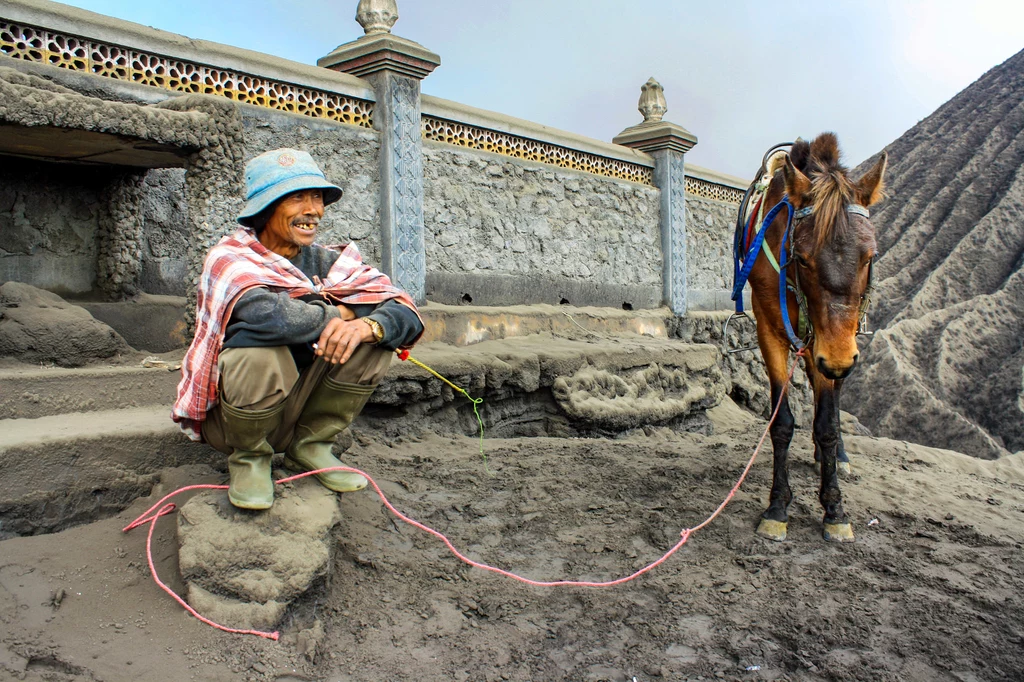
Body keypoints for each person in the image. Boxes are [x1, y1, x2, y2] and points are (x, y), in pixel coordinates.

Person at [172, 148, 423, 510]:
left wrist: (367, 325)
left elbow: (405, 312)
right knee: (259, 350)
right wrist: (343, 313)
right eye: (296, 198)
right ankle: (250, 459)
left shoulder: (330, 262)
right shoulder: (231, 259)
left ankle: (311, 447)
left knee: (372, 338)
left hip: (299, 408)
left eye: (317, 198)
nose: (313, 210)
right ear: (265, 208)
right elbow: (267, 316)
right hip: (233, 421)